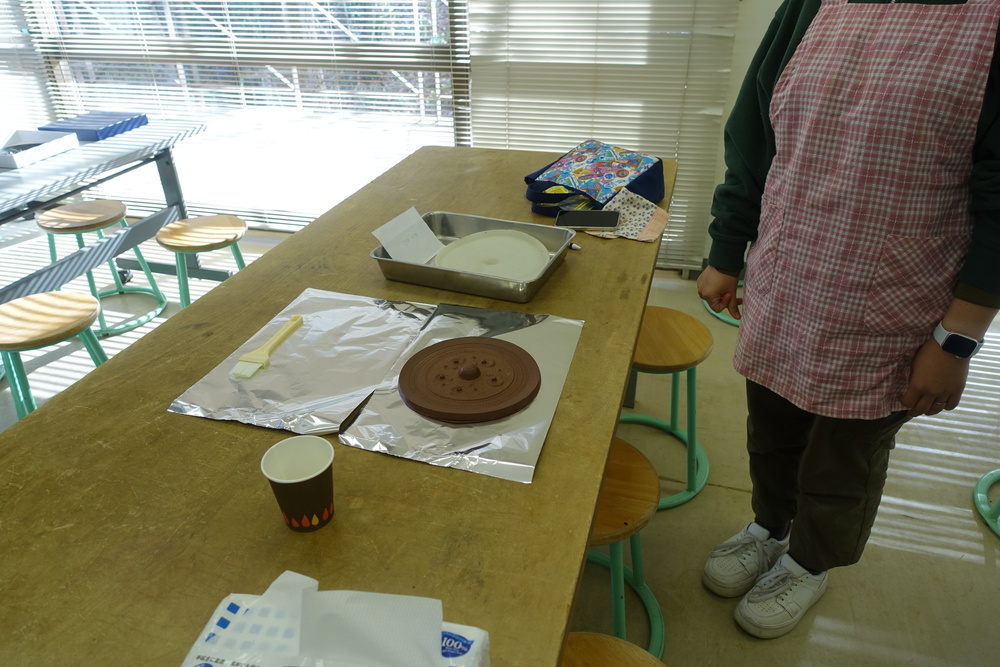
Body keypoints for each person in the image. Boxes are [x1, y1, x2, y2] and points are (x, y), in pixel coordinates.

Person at [698, 0, 1000, 639]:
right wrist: (727, 248)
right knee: (771, 429)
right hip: (787, 276)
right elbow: (754, 132)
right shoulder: (812, 5)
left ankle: (809, 562)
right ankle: (769, 526)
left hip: (898, 299)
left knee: (844, 458)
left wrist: (957, 339)